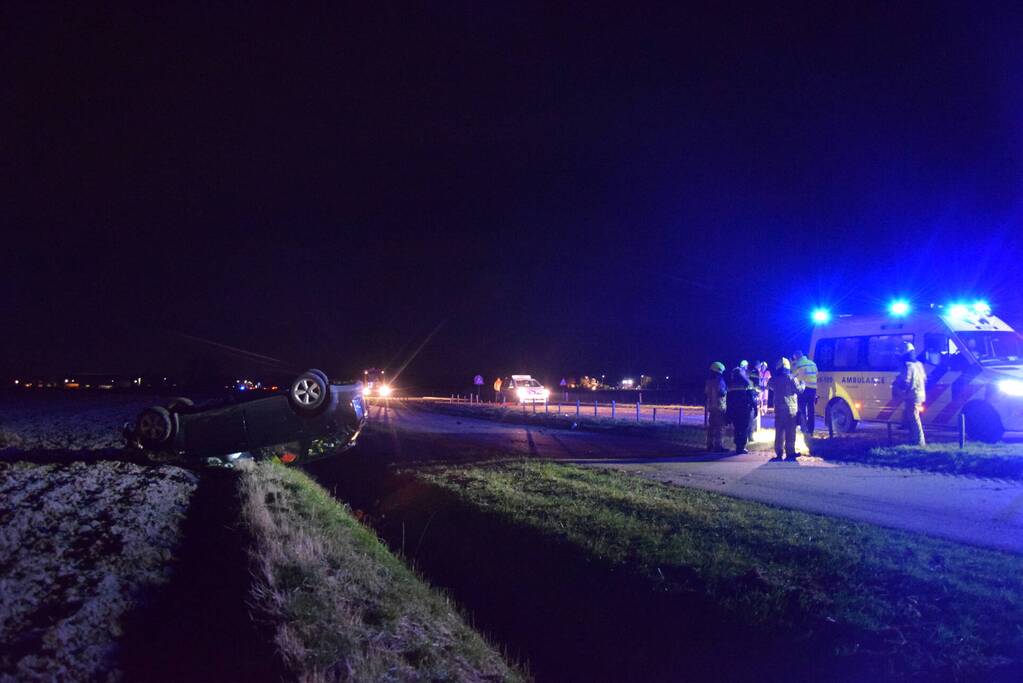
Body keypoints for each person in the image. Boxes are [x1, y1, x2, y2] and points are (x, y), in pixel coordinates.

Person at [768, 357, 804, 460]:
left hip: (779, 409)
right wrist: (803, 384)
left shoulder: (774, 379)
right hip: (790, 409)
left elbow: (769, 385)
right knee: (790, 432)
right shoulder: (792, 378)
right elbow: (799, 390)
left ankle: (779, 453)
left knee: (779, 432)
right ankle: (790, 453)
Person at [893, 342, 927, 446]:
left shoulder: (907, 365)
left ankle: (919, 441)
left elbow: (905, 382)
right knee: (911, 416)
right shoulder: (919, 364)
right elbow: (925, 379)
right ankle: (912, 437)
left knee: (914, 418)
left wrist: (896, 385)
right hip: (920, 394)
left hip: (912, 396)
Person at [725, 363, 757, 454]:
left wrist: (728, 412)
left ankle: (738, 446)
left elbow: (729, 399)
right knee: (744, 428)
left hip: (735, 409)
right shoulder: (747, 383)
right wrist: (755, 409)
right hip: (745, 410)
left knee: (737, 428)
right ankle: (741, 447)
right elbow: (751, 398)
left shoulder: (731, 385)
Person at [791, 350, 818, 435]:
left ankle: (803, 429)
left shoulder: (798, 364)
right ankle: (811, 430)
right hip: (813, 389)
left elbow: (792, 376)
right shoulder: (812, 363)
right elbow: (816, 374)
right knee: (811, 410)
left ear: (797, 357)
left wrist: (792, 364)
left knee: (802, 409)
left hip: (803, 389)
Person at [705, 362, 727, 452]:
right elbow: (722, 392)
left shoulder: (709, 381)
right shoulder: (720, 380)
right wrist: (727, 390)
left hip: (711, 407)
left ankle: (709, 445)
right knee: (720, 427)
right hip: (720, 407)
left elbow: (706, 393)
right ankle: (719, 446)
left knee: (711, 427)